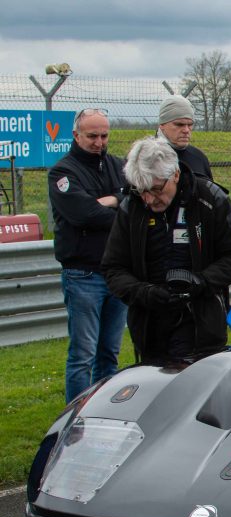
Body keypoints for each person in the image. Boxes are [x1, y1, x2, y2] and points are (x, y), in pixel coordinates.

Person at [103, 137, 231, 363]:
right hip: (150, 326)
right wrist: (145, 292)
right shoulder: (132, 206)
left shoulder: (209, 199)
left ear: (174, 174)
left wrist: (201, 281)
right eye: (142, 191)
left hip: (201, 325)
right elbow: (113, 268)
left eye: (155, 189)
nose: (150, 199)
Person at [48, 108, 129, 403]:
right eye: (92, 136)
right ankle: (74, 414)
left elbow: (134, 198)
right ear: (76, 135)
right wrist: (119, 208)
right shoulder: (62, 172)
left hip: (117, 272)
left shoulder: (117, 164)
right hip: (82, 274)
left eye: (104, 135)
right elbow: (83, 214)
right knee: (83, 354)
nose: (98, 142)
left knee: (109, 352)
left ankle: (101, 408)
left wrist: (113, 200)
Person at [157, 95, 213, 179]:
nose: (186, 130)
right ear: (162, 124)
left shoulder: (199, 158)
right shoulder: (145, 158)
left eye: (190, 124)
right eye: (179, 124)